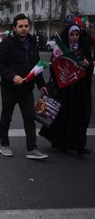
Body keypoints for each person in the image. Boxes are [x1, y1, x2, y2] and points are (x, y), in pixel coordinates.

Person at [0, 13, 48, 160]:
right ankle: (4, 144)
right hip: (9, 88)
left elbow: (36, 66)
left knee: (29, 118)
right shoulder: (7, 43)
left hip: (27, 88)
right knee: (6, 117)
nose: (24, 29)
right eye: (20, 26)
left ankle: (32, 148)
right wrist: (12, 76)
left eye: (26, 26)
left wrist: (41, 84)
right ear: (14, 28)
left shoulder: (32, 42)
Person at [39, 24, 93, 156]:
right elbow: (53, 67)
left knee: (81, 115)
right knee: (63, 116)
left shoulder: (83, 47)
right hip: (65, 88)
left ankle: (80, 145)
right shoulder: (60, 49)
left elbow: (90, 66)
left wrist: (86, 64)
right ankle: (62, 142)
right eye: (72, 35)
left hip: (80, 89)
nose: (74, 38)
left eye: (77, 35)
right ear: (67, 36)